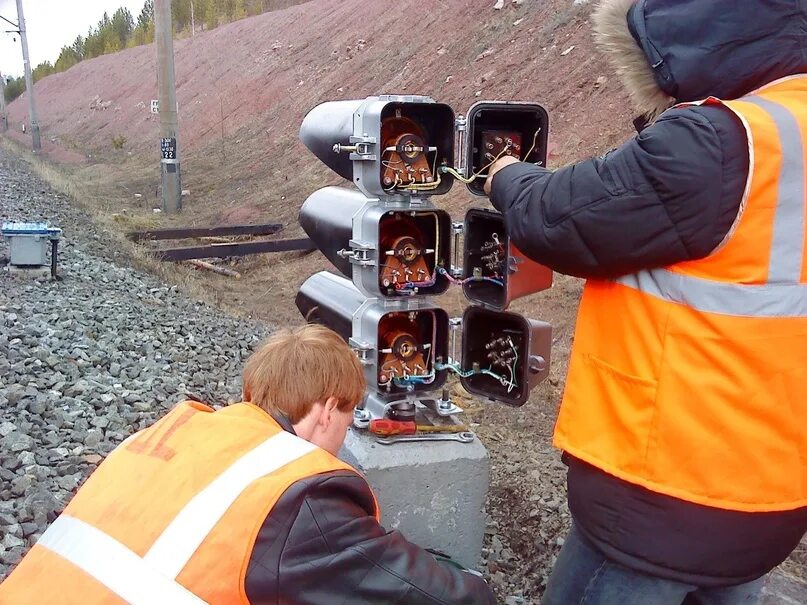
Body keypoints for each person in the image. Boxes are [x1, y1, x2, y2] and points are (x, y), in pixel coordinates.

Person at [484, 0, 807, 603]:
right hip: (772, 494)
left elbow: (558, 218)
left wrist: (503, 175)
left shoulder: (721, 142)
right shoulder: (783, 128)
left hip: (662, 495)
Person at [0, 325, 494, 604]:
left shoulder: (179, 432)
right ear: (326, 411)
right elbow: (433, 598)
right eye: (349, 414)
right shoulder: (298, 495)